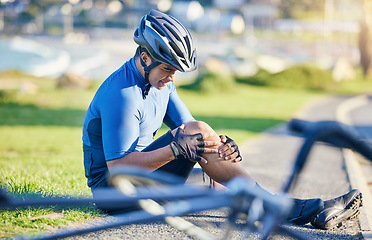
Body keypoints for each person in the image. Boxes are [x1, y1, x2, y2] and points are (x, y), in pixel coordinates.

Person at [82, 9, 362, 230]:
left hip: (145, 180)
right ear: (145, 57)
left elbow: (195, 132)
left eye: (176, 71)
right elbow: (118, 167)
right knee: (222, 175)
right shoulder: (122, 95)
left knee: (224, 187)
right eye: (168, 69)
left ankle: (314, 210)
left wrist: (223, 146)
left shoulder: (161, 85)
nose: (172, 78)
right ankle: (295, 209)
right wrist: (177, 149)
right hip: (115, 193)